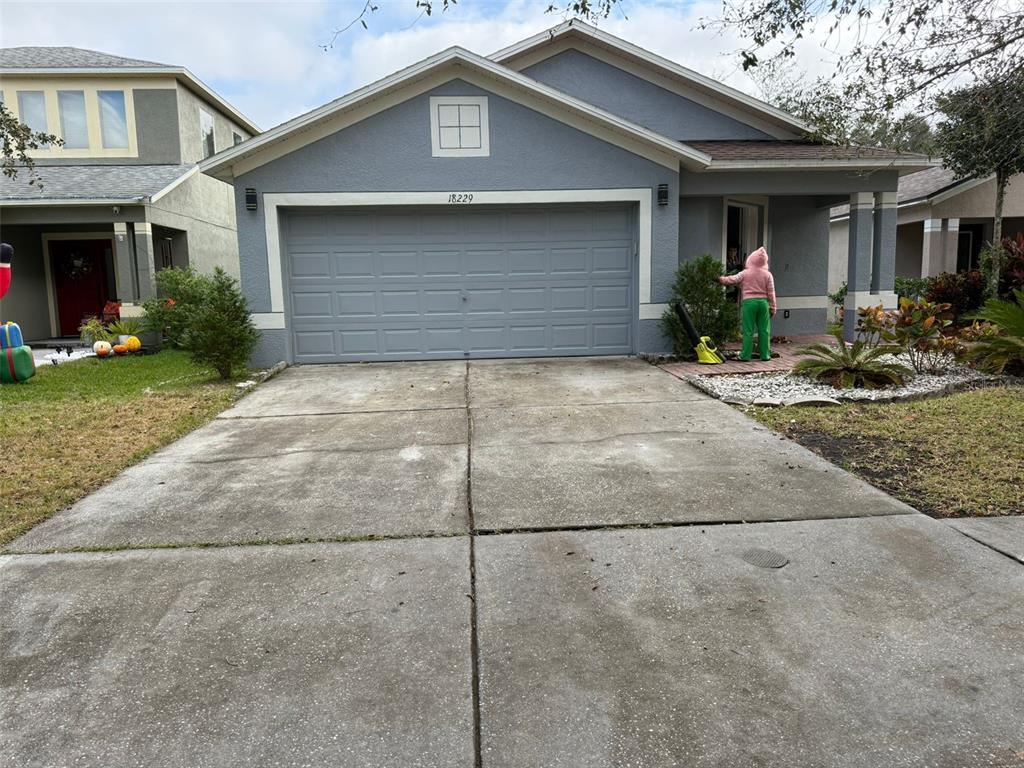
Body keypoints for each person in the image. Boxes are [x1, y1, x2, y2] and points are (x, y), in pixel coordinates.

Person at [717, 246, 776, 361]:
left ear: (751, 259)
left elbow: (732, 279)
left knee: (748, 330)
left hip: (749, 303)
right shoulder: (768, 275)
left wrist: (719, 279)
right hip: (763, 304)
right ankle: (765, 355)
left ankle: (745, 355)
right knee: (764, 330)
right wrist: (773, 307)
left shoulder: (745, 273)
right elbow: (771, 293)